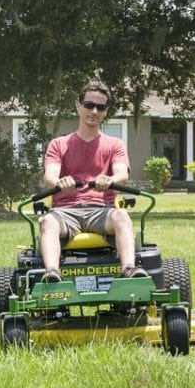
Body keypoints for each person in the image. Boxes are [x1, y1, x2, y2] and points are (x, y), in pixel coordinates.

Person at [39, 82, 149, 283]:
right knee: (47, 221)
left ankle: (130, 269)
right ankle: (52, 274)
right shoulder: (59, 144)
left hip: (102, 210)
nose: (94, 111)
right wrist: (60, 181)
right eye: (89, 105)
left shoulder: (115, 144)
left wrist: (110, 180)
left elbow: (122, 174)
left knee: (122, 216)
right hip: (65, 211)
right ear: (78, 106)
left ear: (106, 112)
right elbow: (49, 178)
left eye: (100, 107)